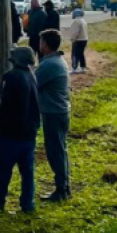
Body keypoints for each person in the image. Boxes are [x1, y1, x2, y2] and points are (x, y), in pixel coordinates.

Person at [0, 47, 41, 213]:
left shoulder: (11, 77)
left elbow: (5, 106)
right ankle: (27, 203)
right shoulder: (32, 75)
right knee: (27, 171)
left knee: (2, 168)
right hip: (29, 131)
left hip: (11, 131)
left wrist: (1, 125)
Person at [37, 30, 72, 202]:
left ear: (45, 44)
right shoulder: (57, 61)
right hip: (59, 111)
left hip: (53, 112)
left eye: (41, 41)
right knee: (60, 149)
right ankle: (64, 187)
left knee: (55, 151)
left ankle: (61, 189)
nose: (39, 44)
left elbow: (32, 83)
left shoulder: (49, 64)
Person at [69, 8, 89, 73]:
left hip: (78, 40)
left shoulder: (76, 21)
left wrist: (72, 39)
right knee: (81, 54)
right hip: (84, 39)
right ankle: (83, 67)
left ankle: (74, 68)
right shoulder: (83, 20)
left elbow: (75, 32)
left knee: (74, 54)